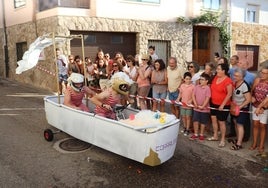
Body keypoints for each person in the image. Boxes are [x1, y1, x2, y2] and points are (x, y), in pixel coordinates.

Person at [207, 63, 233, 148]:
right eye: (217, 69)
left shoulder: (228, 81)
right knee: (213, 119)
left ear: (223, 71)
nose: (216, 70)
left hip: (223, 105)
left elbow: (229, 94)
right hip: (213, 103)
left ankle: (222, 139)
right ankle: (215, 136)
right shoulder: (215, 77)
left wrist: (222, 104)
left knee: (221, 122)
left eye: (218, 69)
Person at [229, 68, 251, 150]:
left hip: (242, 108)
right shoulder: (234, 83)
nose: (235, 77)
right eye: (234, 75)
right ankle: (238, 139)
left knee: (239, 124)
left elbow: (248, 99)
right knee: (235, 122)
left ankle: (239, 144)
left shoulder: (244, 85)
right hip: (234, 108)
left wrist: (239, 107)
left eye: (237, 76)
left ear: (242, 76)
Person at [250, 62, 268, 154]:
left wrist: (261, 108)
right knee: (255, 124)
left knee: (262, 126)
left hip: (264, 108)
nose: (262, 74)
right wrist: (251, 97)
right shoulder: (257, 80)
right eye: (262, 72)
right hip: (255, 106)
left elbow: (267, 99)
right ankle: (254, 143)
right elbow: (252, 91)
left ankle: (261, 145)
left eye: (265, 73)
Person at [190, 73, 211, 141]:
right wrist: (195, 104)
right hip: (196, 108)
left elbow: (207, 98)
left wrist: (203, 106)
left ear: (206, 81)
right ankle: (196, 133)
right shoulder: (197, 87)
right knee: (195, 121)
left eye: (202, 80)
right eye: (200, 79)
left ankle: (201, 134)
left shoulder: (208, 88)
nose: (200, 81)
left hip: (204, 109)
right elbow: (193, 95)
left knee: (203, 122)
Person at [176, 72, 195, 136]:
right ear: (184, 79)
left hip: (189, 105)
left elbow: (194, 95)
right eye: (186, 79)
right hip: (183, 104)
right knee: (183, 116)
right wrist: (178, 99)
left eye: (189, 79)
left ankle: (187, 129)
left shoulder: (193, 86)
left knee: (188, 117)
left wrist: (191, 100)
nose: (188, 80)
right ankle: (184, 127)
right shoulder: (182, 85)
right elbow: (180, 93)